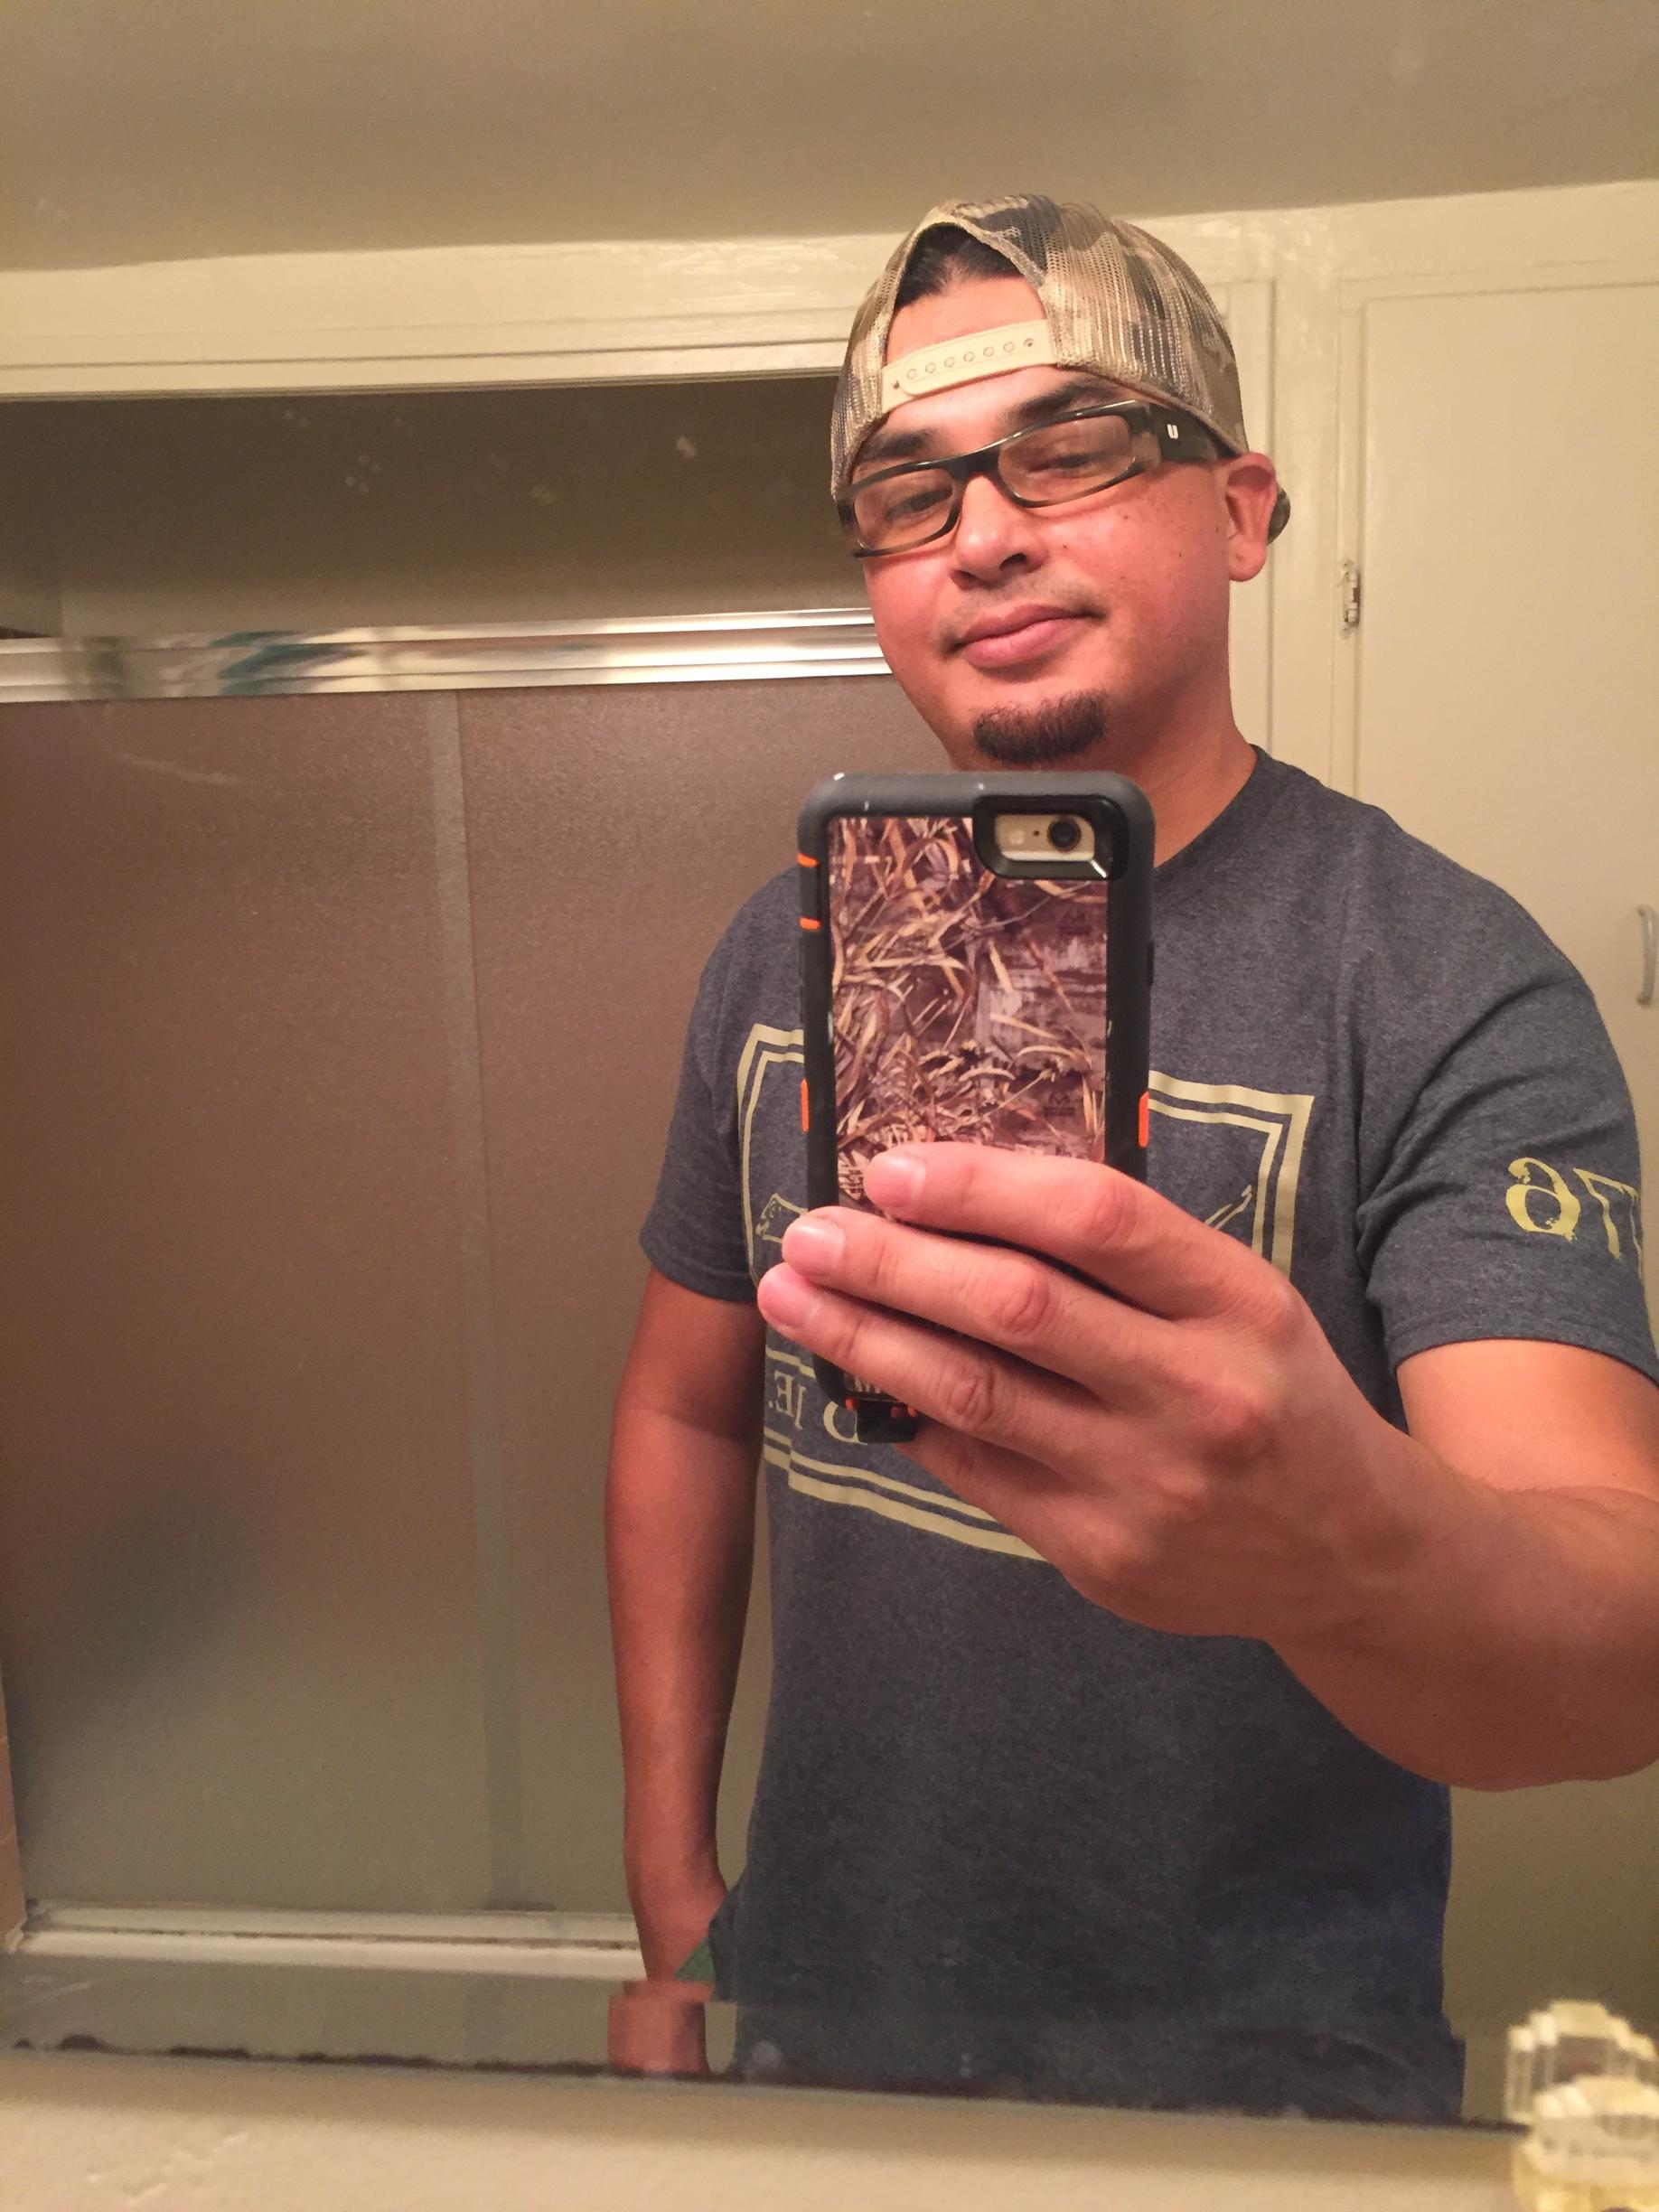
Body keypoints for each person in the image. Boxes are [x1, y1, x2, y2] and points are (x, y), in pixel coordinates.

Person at [605, 195, 1659, 2115]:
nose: (983, 534)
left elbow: (1618, 1644)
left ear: (1242, 513)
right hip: (822, 2040)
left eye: (1072, 449)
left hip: (1267, 2089)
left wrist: (1339, 1530)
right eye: (909, 492)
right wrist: (672, 1901)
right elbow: (685, 1412)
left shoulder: (1442, 978)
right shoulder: (789, 950)